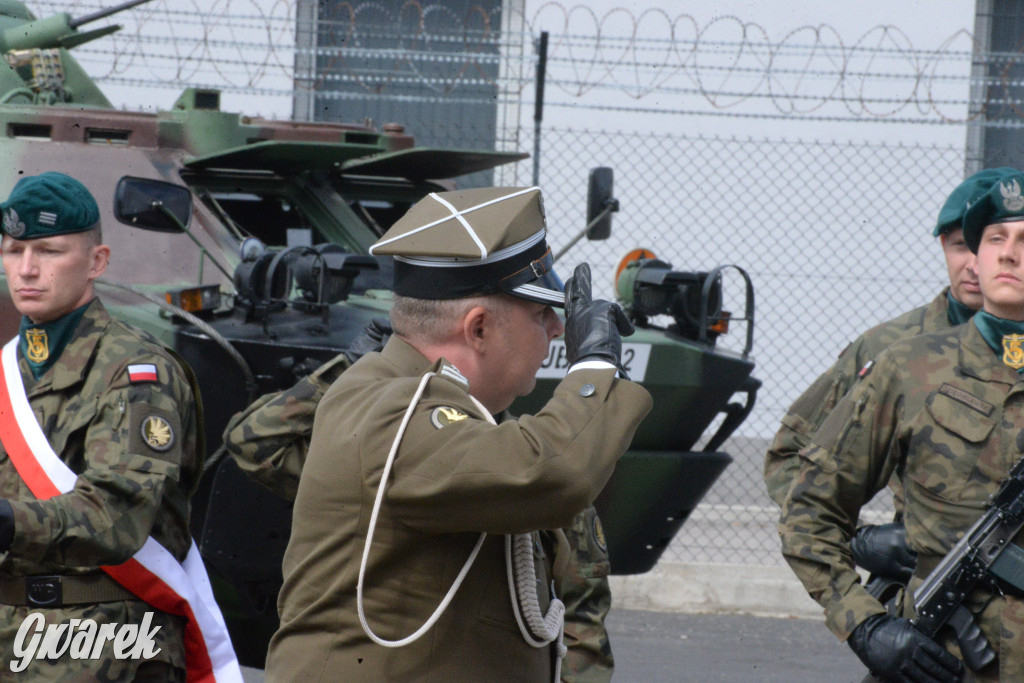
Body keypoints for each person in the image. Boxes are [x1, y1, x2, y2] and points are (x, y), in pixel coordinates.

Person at [264, 186, 652, 682]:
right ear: (479, 329)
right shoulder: (392, 411)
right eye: (541, 314)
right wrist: (595, 364)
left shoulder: (443, 408)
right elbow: (550, 473)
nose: (557, 329)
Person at [224, 316, 617, 681]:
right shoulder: (377, 447)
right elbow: (254, 441)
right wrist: (348, 367)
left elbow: (582, 618)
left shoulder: (533, 473)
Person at [778, 167, 1024, 682]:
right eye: (989, 239)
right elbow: (805, 485)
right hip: (935, 621)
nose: (1004, 254)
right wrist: (863, 550)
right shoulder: (901, 358)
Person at [0, 173, 237, 681]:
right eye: (14, 250)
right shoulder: (7, 371)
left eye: (48, 250)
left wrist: (7, 522)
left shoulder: (137, 374)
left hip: (105, 643)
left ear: (97, 262)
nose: (26, 269)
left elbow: (116, 517)